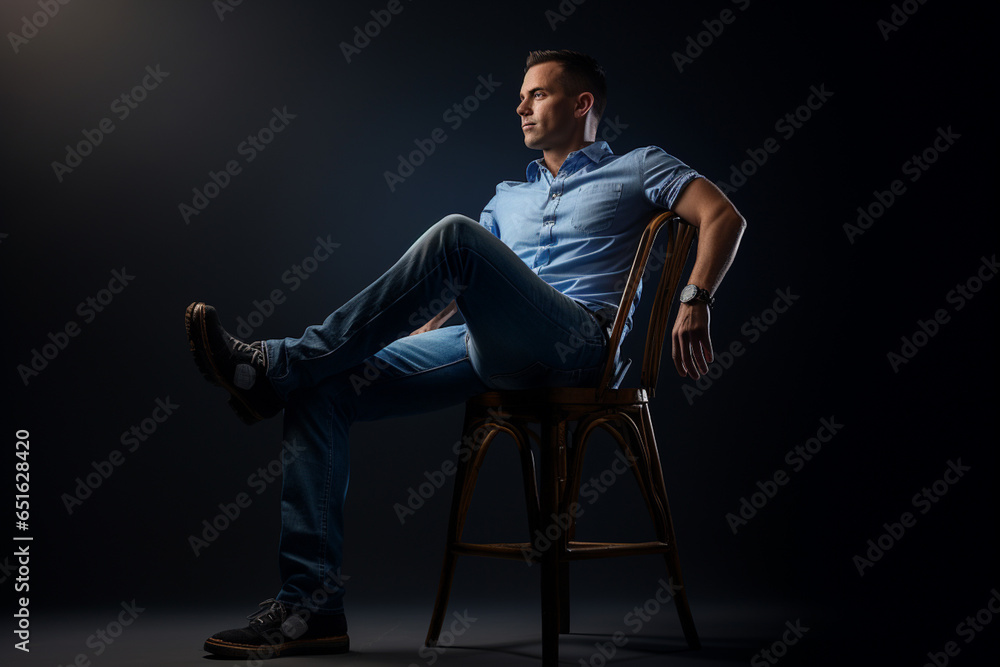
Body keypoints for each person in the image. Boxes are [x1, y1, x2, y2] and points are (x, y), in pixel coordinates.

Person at [185, 49, 746, 659]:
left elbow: (723, 215)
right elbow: (454, 291)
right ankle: (310, 609)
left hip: (578, 345)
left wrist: (696, 299)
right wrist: (405, 343)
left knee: (454, 234)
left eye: (536, 94)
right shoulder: (507, 196)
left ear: (582, 104)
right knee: (323, 390)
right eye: (521, 96)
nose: (520, 106)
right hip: (490, 347)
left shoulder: (639, 167)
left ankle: (274, 365)